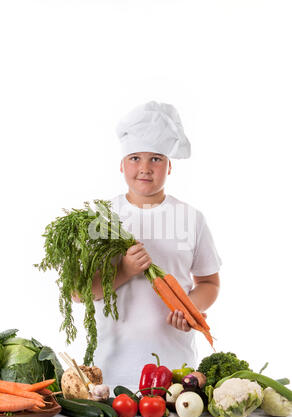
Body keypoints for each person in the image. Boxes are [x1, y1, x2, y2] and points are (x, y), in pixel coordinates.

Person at [73, 101, 222, 387]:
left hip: (176, 370)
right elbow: (78, 292)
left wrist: (190, 307)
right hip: (112, 369)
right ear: (120, 164)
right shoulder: (100, 218)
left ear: (170, 166)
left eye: (155, 158)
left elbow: (210, 283)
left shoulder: (191, 218)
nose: (144, 168)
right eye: (134, 158)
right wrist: (125, 271)